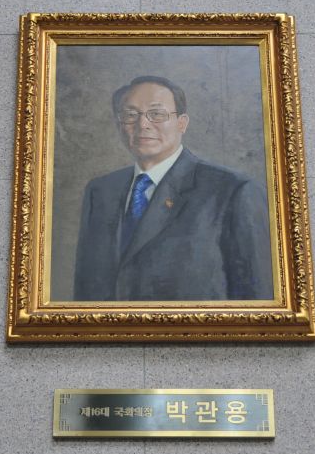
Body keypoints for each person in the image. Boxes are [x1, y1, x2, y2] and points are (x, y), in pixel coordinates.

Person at [72, 75, 273, 301]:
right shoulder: (101, 191)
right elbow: (85, 291)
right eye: (130, 115)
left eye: (157, 114)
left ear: (182, 123)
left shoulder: (234, 191)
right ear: (119, 124)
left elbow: (260, 300)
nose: (143, 124)